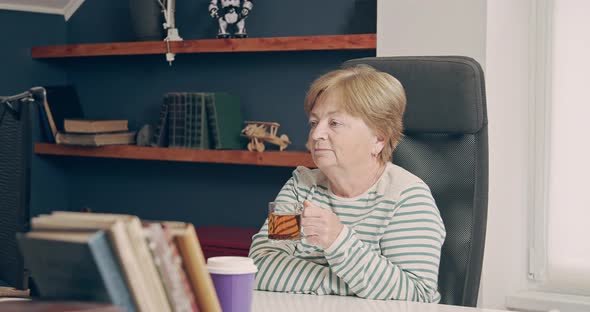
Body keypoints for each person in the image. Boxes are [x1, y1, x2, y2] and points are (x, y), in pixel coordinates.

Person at [248, 65, 446, 302]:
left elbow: (417, 296)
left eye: (334, 123)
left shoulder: (406, 197)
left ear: (379, 139)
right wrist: (355, 285)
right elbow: (261, 267)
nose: (316, 134)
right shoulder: (301, 187)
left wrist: (338, 240)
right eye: (314, 122)